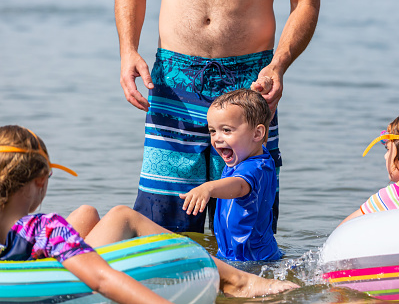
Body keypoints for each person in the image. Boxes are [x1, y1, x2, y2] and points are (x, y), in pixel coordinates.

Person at [114, 0, 321, 233]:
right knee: (161, 223)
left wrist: (278, 65)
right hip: (175, 79)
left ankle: (250, 276)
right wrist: (128, 50)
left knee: (246, 223)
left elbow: (305, 0)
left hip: (251, 82)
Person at [0, 125, 299, 303]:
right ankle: (238, 281)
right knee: (121, 216)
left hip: (19, 271)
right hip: (55, 286)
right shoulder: (45, 227)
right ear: (40, 181)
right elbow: (102, 281)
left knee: (86, 213)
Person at [179, 89, 282, 261]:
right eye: (212, 131)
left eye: (226, 130)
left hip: (253, 260)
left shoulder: (257, 167)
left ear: (257, 134)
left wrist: (208, 188)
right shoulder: (245, 156)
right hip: (233, 255)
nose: (217, 138)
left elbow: (240, 186)